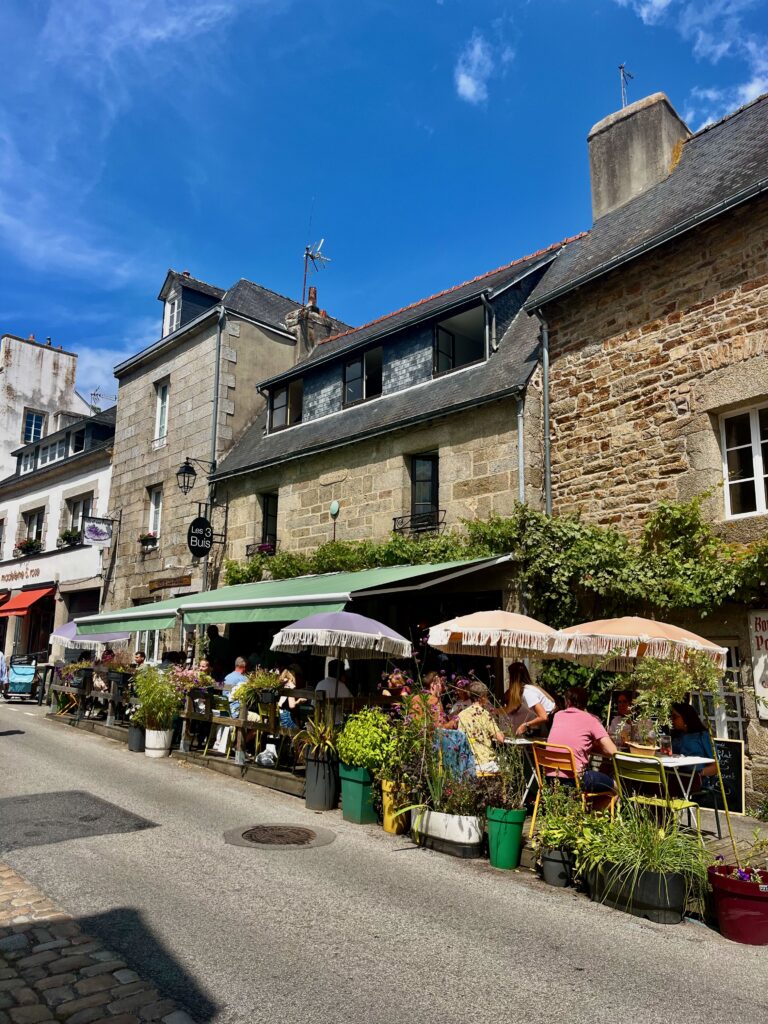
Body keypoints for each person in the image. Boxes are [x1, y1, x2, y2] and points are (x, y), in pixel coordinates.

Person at [546, 686, 618, 793]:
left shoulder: (558, 716)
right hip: (575, 780)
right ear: (586, 703)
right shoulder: (591, 719)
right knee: (616, 787)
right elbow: (613, 751)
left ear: (567, 701)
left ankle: (586, 809)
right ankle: (594, 810)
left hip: (550, 778)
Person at [457, 681, 505, 773]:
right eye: (486, 696)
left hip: (468, 763)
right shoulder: (485, 714)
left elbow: (460, 739)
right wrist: (502, 734)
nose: (487, 699)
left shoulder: (462, 715)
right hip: (485, 763)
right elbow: (500, 739)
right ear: (482, 697)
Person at [669, 702, 717, 792]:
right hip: (675, 776)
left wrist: (699, 773)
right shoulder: (675, 736)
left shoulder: (702, 736)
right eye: (671, 717)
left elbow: (715, 767)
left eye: (675, 717)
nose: (672, 720)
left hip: (696, 781)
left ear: (686, 717)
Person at [503, 662, 556, 737]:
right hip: (552, 720)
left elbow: (544, 717)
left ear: (513, 678)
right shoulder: (529, 689)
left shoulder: (527, 692)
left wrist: (526, 725)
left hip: (552, 721)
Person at [277, 660, 305, 729]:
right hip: (288, 720)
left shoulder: (281, 685)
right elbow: (292, 705)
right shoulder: (290, 685)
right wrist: (299, 701)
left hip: (280, 719)